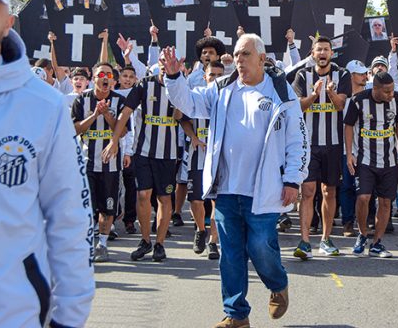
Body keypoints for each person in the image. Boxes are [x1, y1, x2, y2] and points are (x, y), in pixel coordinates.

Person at [0, 0, 95, 326]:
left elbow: (70, 218)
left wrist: (69, 316)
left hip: (9, 313)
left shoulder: (43, 106)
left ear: (9, 21)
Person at [163, 34, 308, 327]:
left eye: (245, 55)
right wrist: (173, 77)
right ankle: (236, 315)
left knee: (260, 247)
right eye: (237, 55)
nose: (239, 60)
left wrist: (293, 179)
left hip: (265, 189)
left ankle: (278, 283)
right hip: (227, 188)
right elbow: (189, 104)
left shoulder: (281, 92)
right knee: (230, 255)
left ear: (262, 58)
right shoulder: (222, 87)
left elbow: (297, 139)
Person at [102, 54, 183, 262]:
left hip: (167, 153)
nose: (167, 65)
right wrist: (114, 140)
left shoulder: (181, 86)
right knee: (142, 195)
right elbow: (125, 113)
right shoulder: (144, 85)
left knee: (164, 198)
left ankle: (160, 244)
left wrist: (178, 102)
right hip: (143, 151)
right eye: (163, 61)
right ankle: (145, 240)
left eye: (171, 62)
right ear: (158, 64)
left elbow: (183, 117)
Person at [291, 36, 351, 258]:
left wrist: (332, 92)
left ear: (331, 53)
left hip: (333, 145)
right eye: (319, 50)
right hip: (309, 145)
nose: (323, 53)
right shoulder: (302, 75)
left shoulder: (342, 74)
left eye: (326, 49)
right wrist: (315, 94)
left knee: (329, 191)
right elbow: (299, 106)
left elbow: (341, 105)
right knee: (307, 191)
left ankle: (326, 239)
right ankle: (305, 241)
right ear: (313, 54)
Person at [71, 62, 130, 263]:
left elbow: (122, 132)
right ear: (93, 78)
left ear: (113, 80)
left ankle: (102, 244)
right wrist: (95, 115)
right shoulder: (81, 100)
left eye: (109, 75)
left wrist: (107, 116)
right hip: (87, 163)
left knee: (107, 208)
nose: (105, 78)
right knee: (85, 207)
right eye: (100, 74)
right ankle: (86, 243)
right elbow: (75, 130)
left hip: (110, 165)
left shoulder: (120, 101)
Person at [345, 72, 398, 258]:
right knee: (363, 197)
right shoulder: (358, 100)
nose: (390, 94)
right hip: (365, 159)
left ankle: (377, 242)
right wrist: (349, 153)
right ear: (375, 89)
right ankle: (362, 234)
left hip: (389, 160)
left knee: (386, 202)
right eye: (386, 91)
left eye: (392, 90)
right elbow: (348, 125)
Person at [176, 60, 224, 259]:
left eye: (219, 76)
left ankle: (213, 241)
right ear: (205, 77)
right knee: (196, 200)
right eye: (211, 75)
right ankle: (200, 229)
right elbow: (182, 118)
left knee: (217, 202)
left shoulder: (228, 99)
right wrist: (193, 137)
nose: (215, 79)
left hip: (219, 159)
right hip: (197, 157)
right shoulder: (196, 96)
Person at [340, 60, 369, 237]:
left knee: (367, 189)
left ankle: (366, 222)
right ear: (351, 76)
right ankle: (348, 222)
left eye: (365, 73)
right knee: (347, 186)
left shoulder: (368, 98)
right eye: (360, 73)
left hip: (367, 150)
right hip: (346, 151)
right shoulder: (343, 99)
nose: (365, 76)